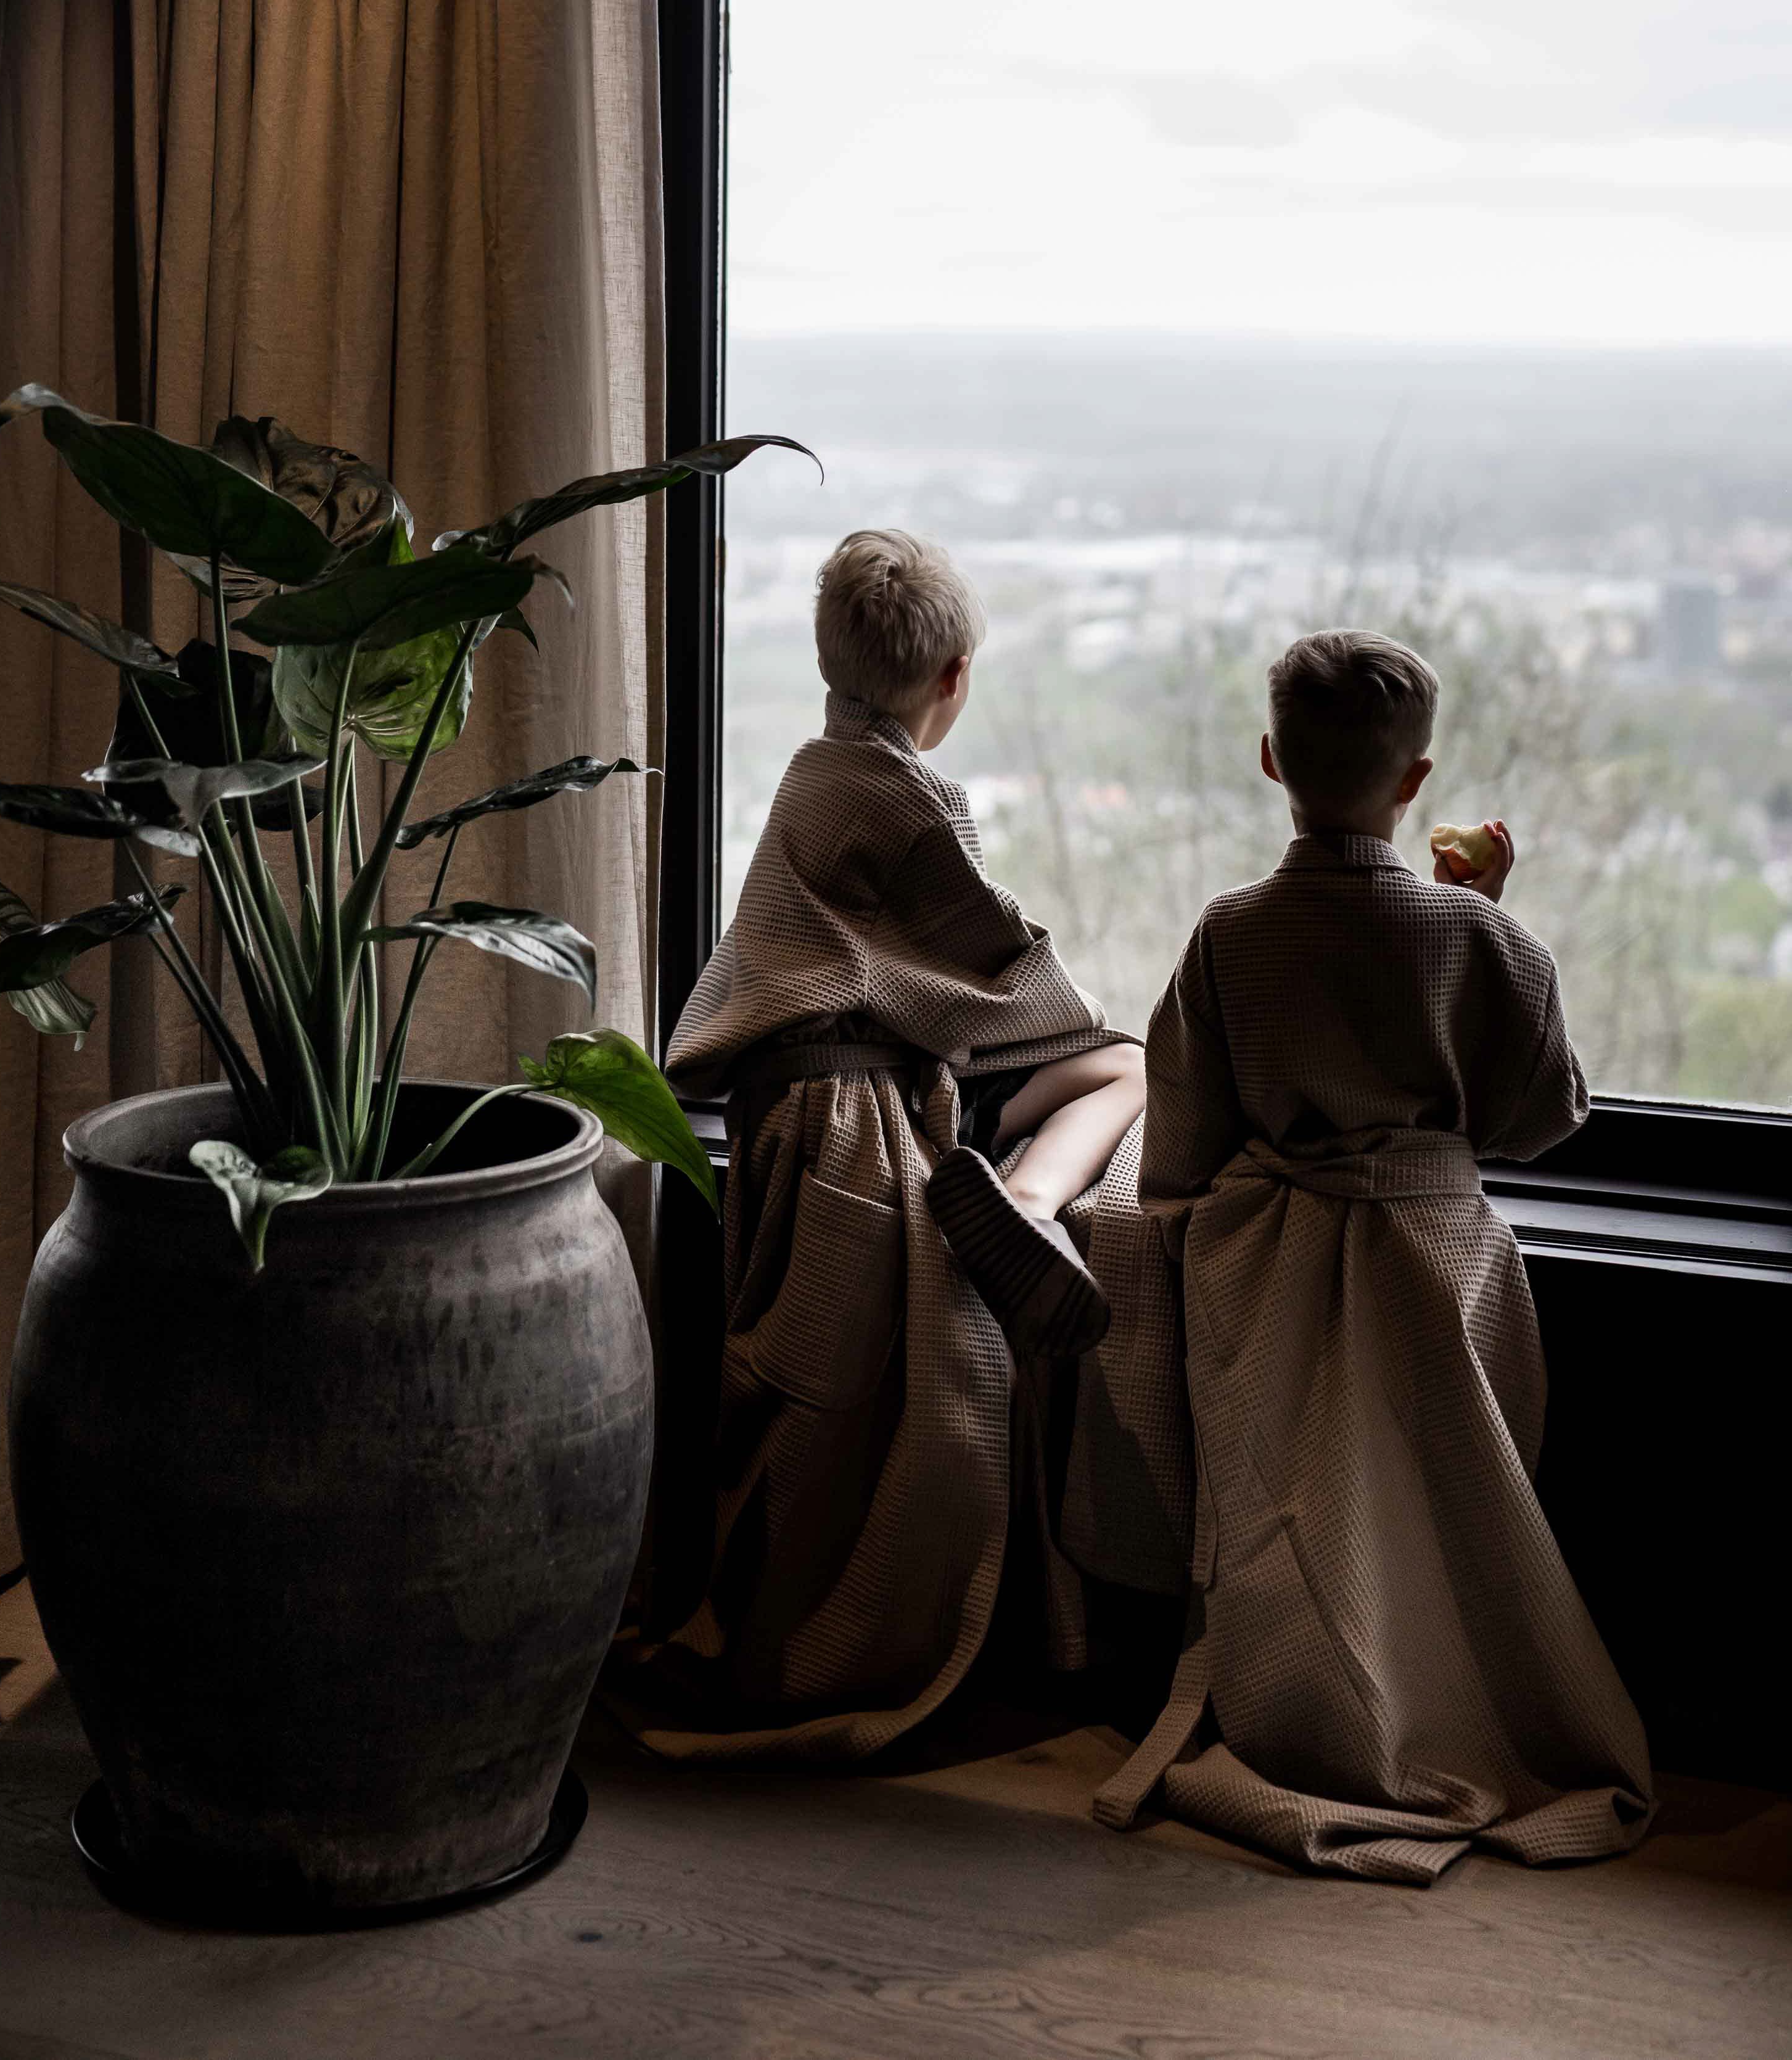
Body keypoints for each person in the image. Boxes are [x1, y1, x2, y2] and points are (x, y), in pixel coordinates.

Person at [1091, 627, 1654, 1883]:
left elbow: (1184, 1135)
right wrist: (1474, 929)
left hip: (1274, 1261)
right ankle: (1451, 1704)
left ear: (1268, 759)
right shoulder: (1483, 938)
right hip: (1439, 1261)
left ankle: (1309, 1711)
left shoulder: (1232, 933)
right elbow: (1547, 1112)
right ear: (1418, 782)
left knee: (1298, 1516)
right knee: (1451, 1516)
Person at [619, 530, 1145, 1758]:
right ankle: (1026, 1191)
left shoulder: (811, 773)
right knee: (855, 1399)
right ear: (953, 676)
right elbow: (998, 955)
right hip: (857, 1121)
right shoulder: (913, 799)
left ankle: (1016, 1182)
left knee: (800, 1383)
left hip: (799, 1113)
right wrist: (1069, 1022)